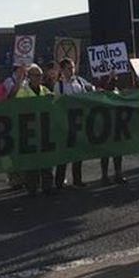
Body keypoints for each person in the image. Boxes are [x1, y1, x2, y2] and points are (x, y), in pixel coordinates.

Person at [14, 65, 56, 195]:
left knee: (46, 159)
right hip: (30, 131)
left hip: (44, 130)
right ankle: (32, 187)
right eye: (37, 76)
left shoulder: (45, 91)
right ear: (30, 77)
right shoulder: (23, 91)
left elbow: (56, 103)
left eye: (41, 76)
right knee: (32, 161)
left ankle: (47, 186)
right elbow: (18, 108)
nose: (39, 78)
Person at [52, 58, 94, 188]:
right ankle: (59, 182)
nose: (72, 70)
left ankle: (77, 180)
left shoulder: (80, 82)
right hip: (64, 124)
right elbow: (56, 105)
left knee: (78, 153)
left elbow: (88, 96)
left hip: (78, 123)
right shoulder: (59, 86)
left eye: (73, 68)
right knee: (63, 155)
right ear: (62, 70)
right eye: (69, 68)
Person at [96, 73, 126, 185]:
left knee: (118, 150)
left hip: (116, 121)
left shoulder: (117, 88)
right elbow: (104, 93)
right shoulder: (101, 84)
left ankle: (118, 173)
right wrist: (109, 79)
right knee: (106, 151)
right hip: (105, 122)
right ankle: (104, 175)